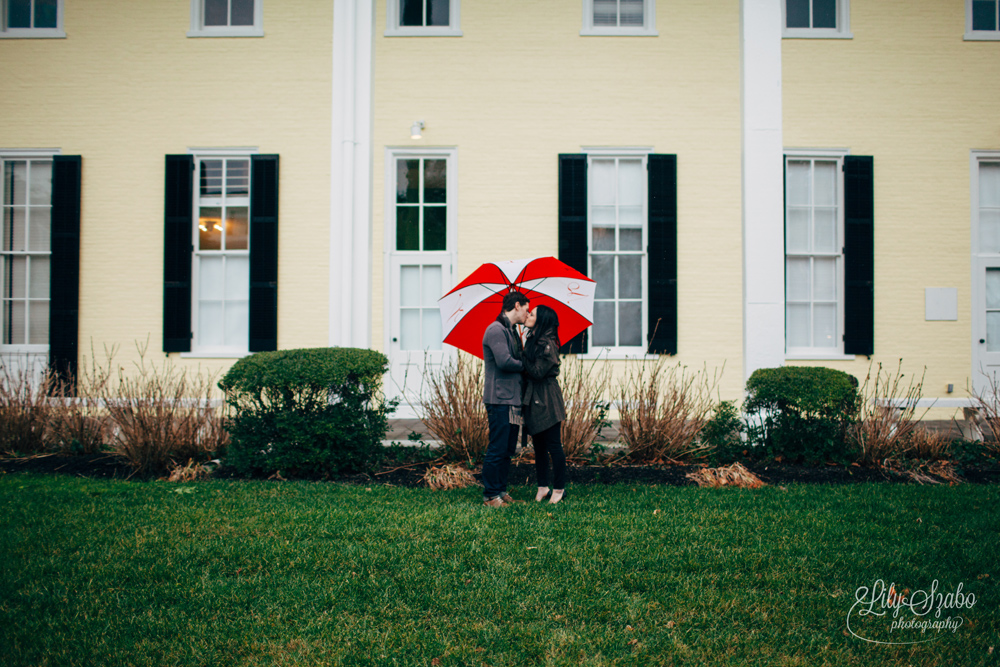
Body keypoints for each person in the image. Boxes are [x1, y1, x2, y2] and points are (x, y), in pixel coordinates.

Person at [481, 290, 530, 507]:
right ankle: (490, 495)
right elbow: (504, 362)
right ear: (517, 306)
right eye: (527, 309)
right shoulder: (495, 330)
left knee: (508, 449)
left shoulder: (510, 331)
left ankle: (500, 490)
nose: (527, 314)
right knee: (497, 447)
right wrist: (528, 366)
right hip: (499, 399)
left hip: (511, 399)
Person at [521, 304, 567, 504]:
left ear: (541, 320)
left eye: (532, 313)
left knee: (553, 445)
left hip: (547, 398)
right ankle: (542, 487)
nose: (528, 314)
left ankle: (559, 489)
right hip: (534, 398)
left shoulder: (547, 343)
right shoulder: (533, 340)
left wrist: (521, 356)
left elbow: (538, 372)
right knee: (538, 446)